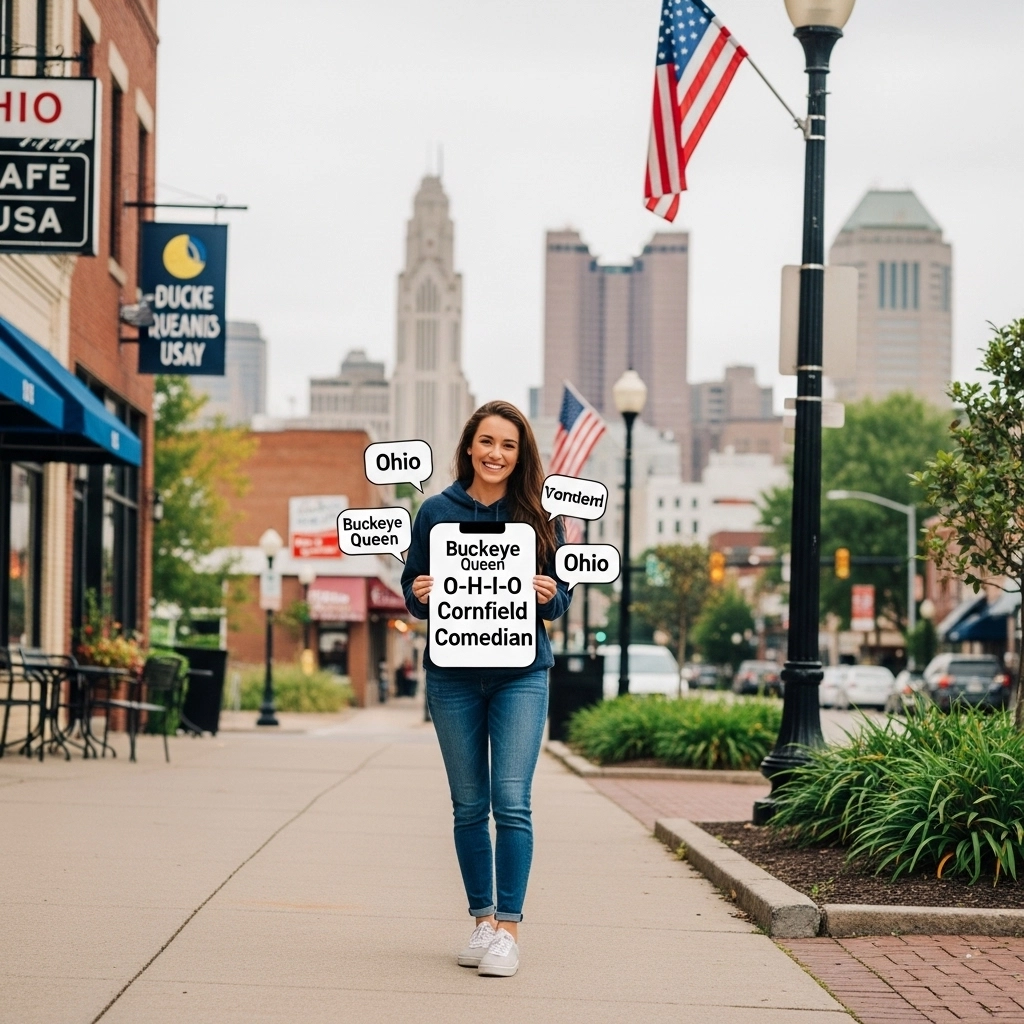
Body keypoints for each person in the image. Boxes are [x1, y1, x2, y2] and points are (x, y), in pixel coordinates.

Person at [402, 400, 571, 978]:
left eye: (509, 445)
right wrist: (418, 592)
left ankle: (510, 931)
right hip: (452, 675)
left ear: (521, 455)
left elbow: (561, 598)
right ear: (469, 446)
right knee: (469, 804)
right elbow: (412, 587)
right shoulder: (435, 511)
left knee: (512, 801)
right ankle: (482, 920)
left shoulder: (541, 515)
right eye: (487, 442)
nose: (496, 454)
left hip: (521, 672)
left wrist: (550, 594)